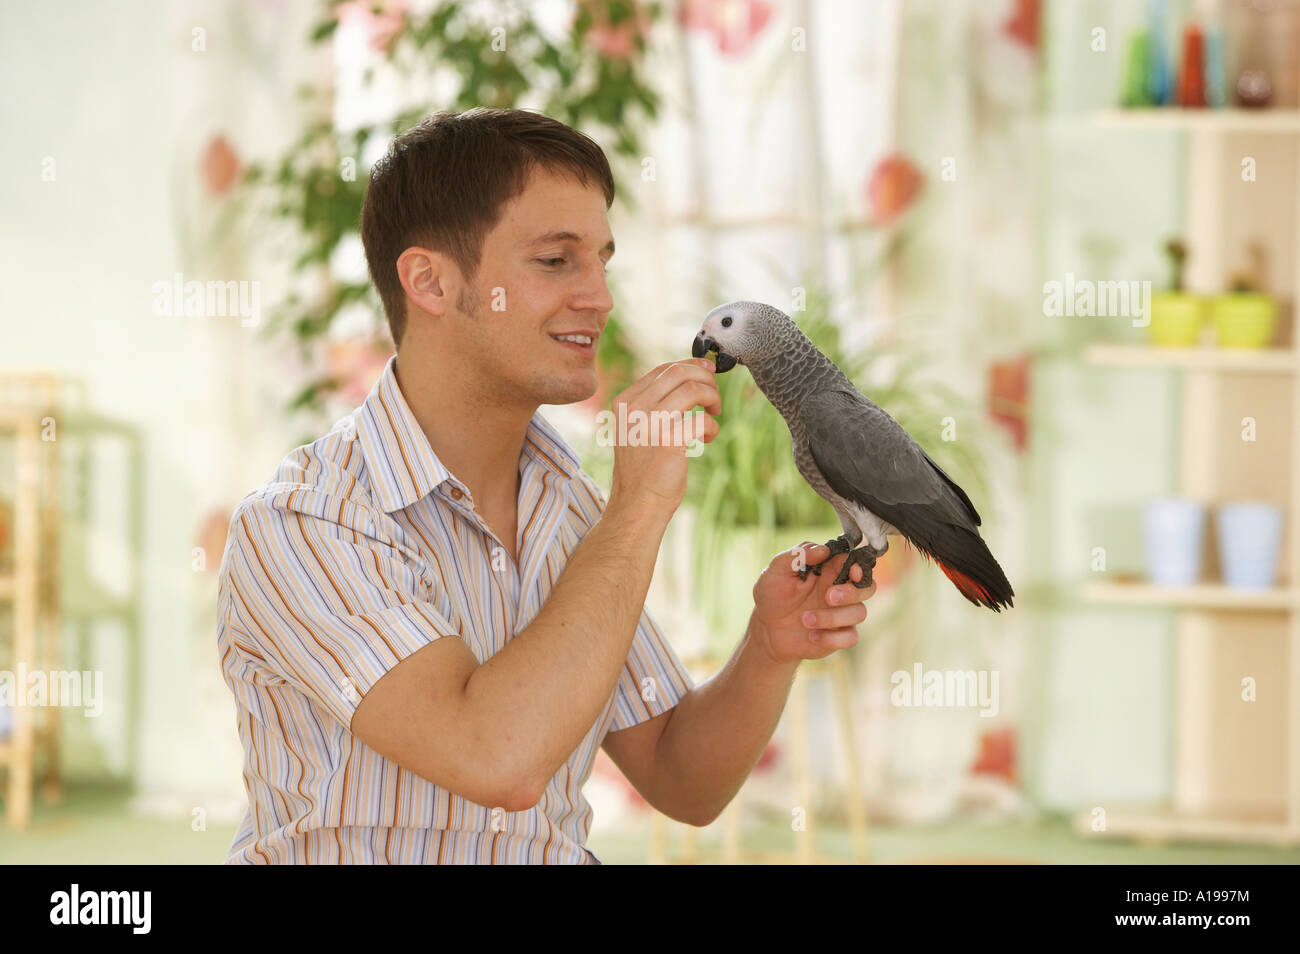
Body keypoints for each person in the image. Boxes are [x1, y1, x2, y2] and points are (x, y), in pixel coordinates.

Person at [216, 107, 873, 864]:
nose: (599, 297)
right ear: (428, 280)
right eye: (557, 261)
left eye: (602, 260)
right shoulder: (305, 523)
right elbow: (497, 759)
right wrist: (638, 508)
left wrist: (768, 645)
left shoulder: (569, 511)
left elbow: (680, 777)